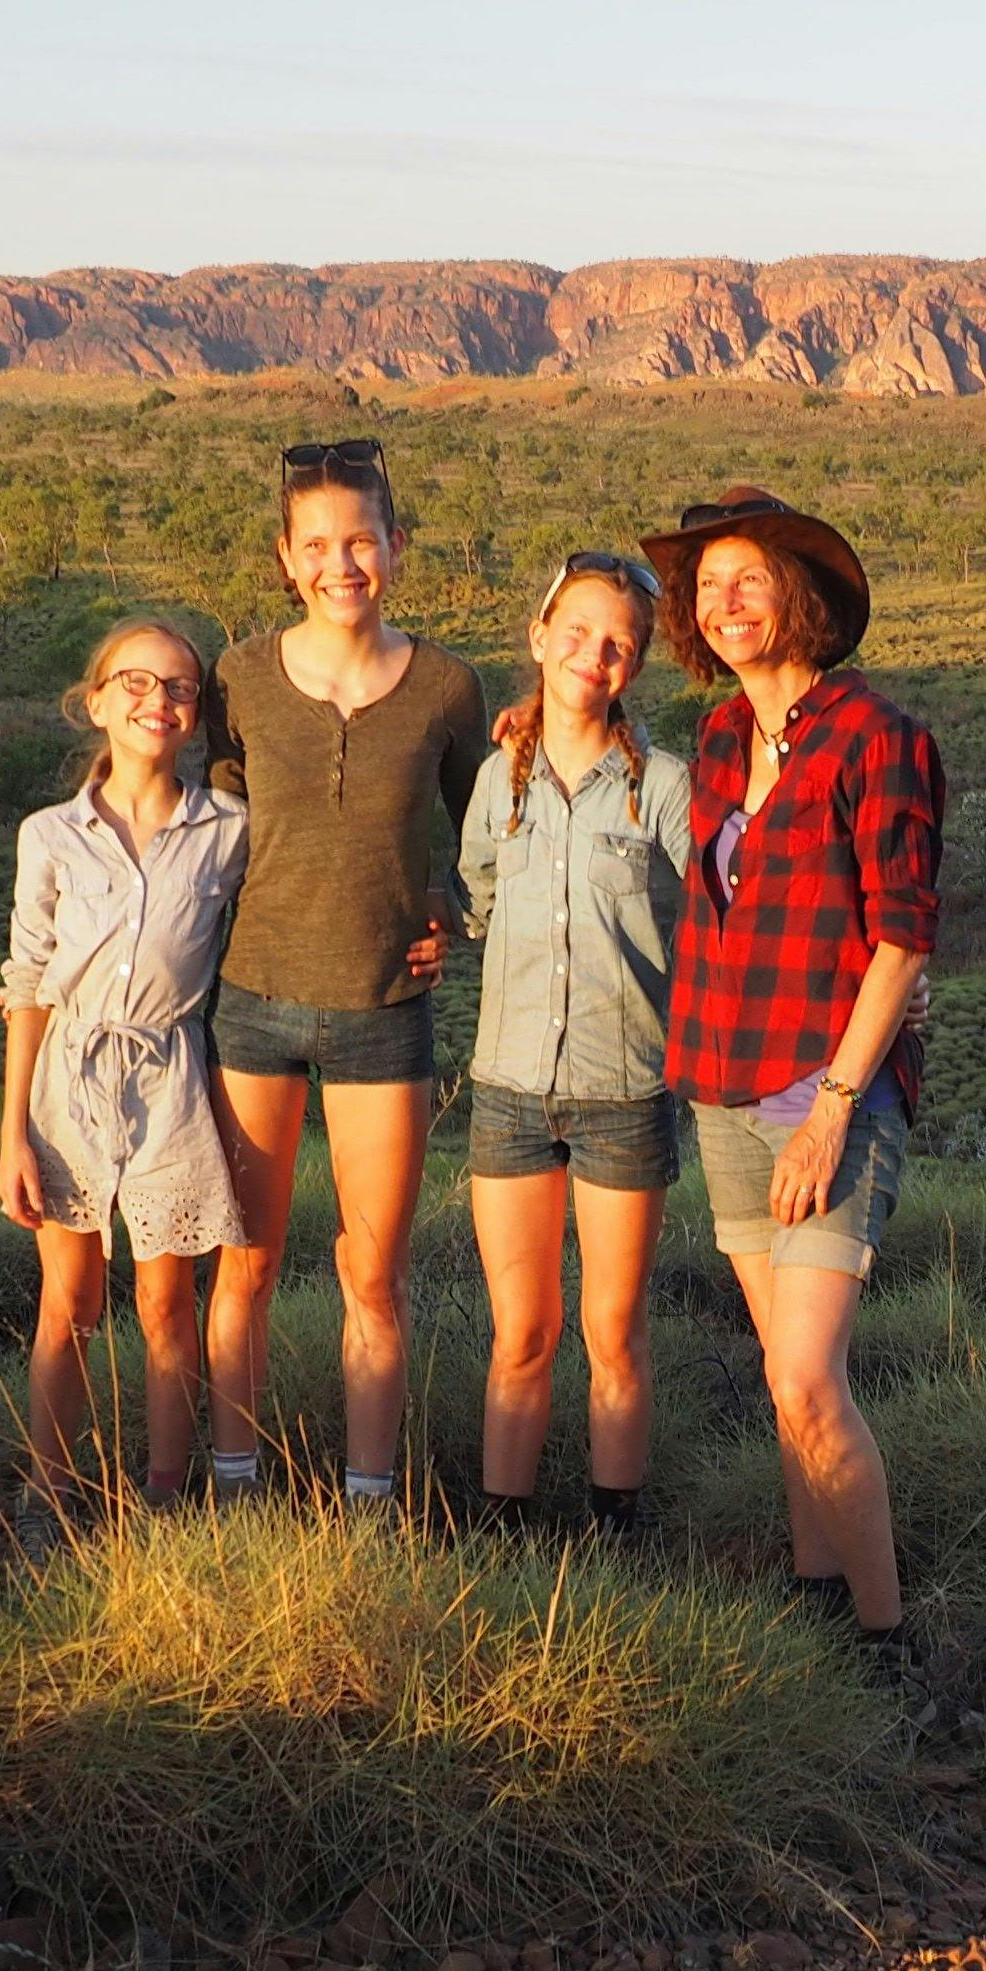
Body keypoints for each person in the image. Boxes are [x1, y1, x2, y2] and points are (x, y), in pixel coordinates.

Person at [646, 488, 937, 1680]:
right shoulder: (718, 740)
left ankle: (889, 1653)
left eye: (748, 581)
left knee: (811, 1381)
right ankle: (818, 1608)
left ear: (801, 599)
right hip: (721, 1077)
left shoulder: (879, 739)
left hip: (825, 1093)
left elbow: (904, 937)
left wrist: (834, 1106)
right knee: (784, 1383)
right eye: (707, 586)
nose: (725, 605)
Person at [200, 438, 489, 1508]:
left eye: (360, 541)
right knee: (248, 1266)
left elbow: (491, 832)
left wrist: (453, 918)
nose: (341, 564)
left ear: (397, 548)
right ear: (286, 557)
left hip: (383, 1013)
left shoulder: (449, 690)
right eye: (316, 544)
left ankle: (370, 1504)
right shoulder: (240, 679)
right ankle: (235, 1485)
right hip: (253, 1006)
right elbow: (212, 828)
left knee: (373, 1277)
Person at [0, 616, 249, 1511]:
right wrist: (13, 1134)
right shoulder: (50, 835)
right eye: (136, 683)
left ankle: (165, 1495)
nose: (159, 700)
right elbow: (26, 981)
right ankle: (50, 1490)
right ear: (96, 701)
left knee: (165, 1305)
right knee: (67, 1304)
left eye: (179, 687)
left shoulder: (227, 831)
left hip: (173, 1076)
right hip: (68, 1077)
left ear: (196, 712)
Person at [456, 553, 686, 1533]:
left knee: (612, 1334)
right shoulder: (496, 779)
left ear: (634, 667)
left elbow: (719, 916)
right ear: (541, 636)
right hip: (508, 1090)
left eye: (620, 646)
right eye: (579, 633)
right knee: (522, 1334)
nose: (596, 656)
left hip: (622, 1090)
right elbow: (478, 897)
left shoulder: (665, 788)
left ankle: (613, 1535)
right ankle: (503, 1535)